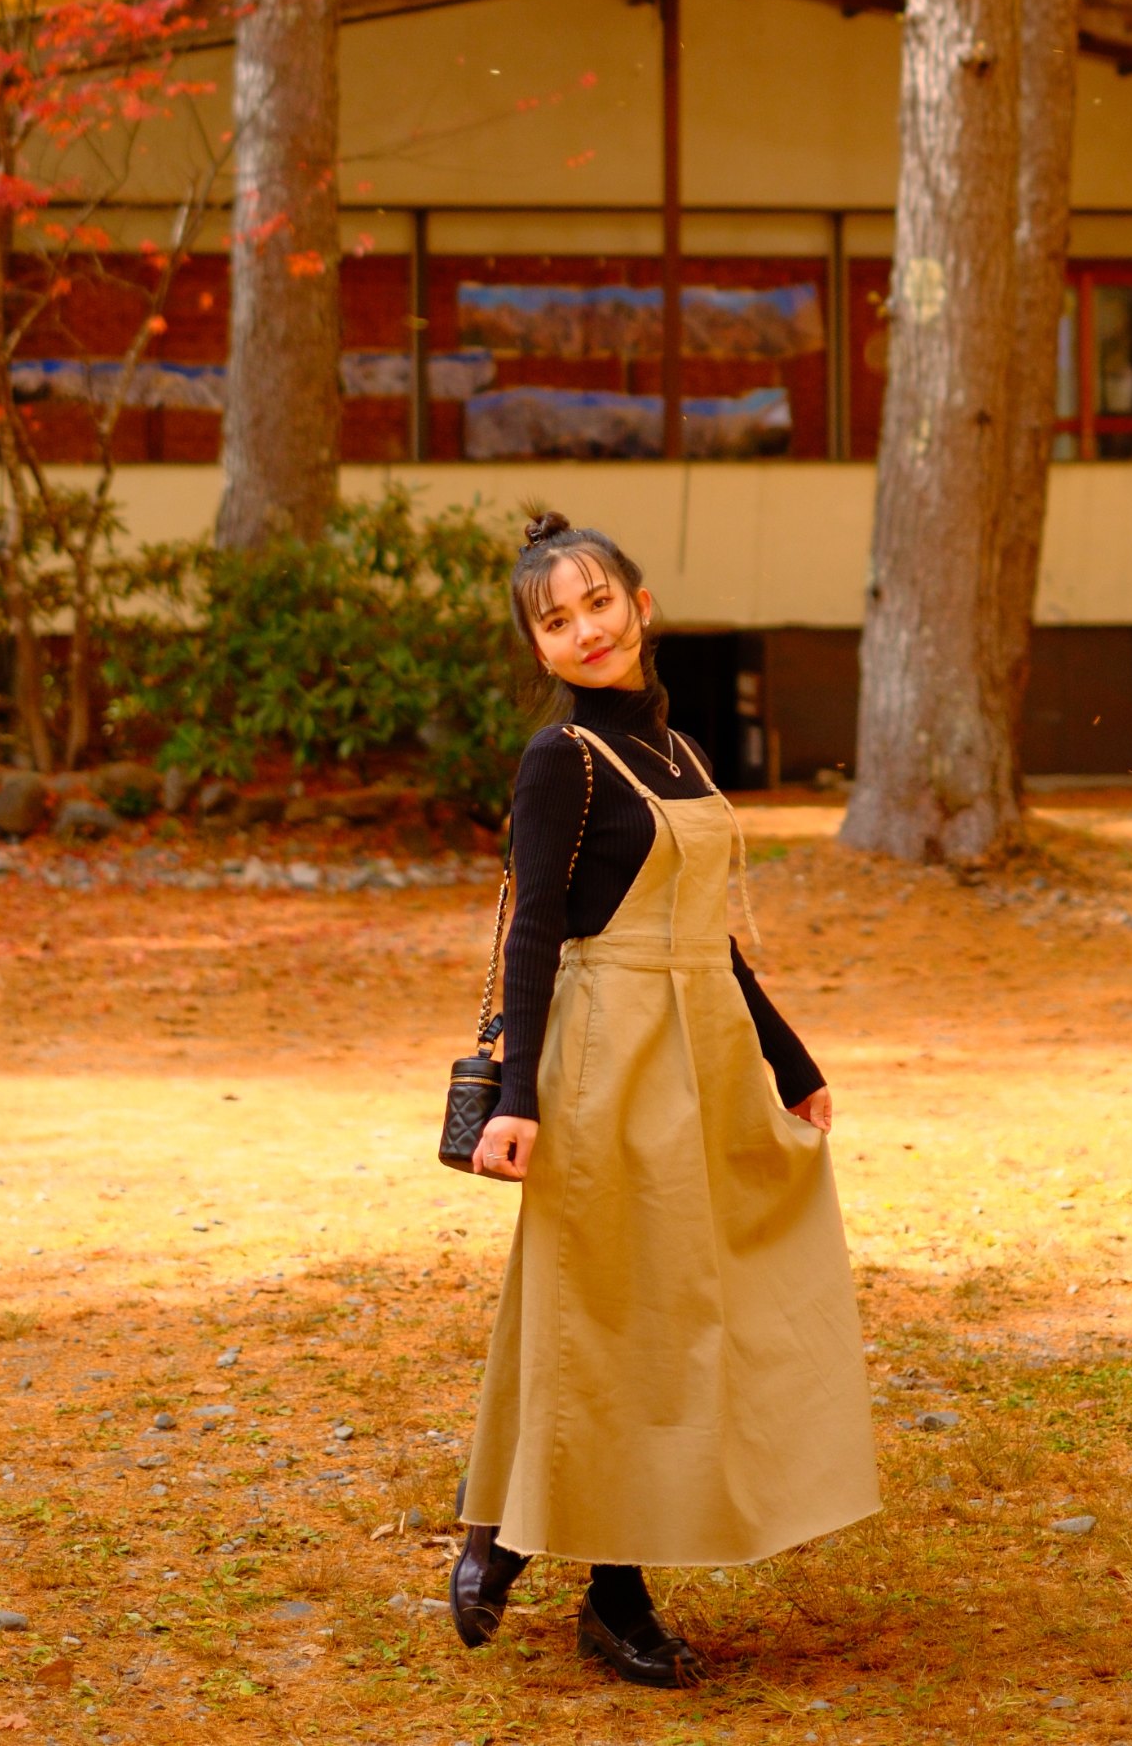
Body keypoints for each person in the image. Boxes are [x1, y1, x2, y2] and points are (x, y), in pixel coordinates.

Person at [452, 510, 878, 1689]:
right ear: (538, 649)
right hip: (605, 1060)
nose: (584, 631)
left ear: (643, 607)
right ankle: (606, 1589)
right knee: (619, 1320)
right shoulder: (564, 761)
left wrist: (792, 1061)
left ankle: (508, 1527)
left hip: (698, 1057)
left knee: (685, 1314)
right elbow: (536, 931)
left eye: (599, 604)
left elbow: (714, 943)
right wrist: (519, 1095)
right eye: (555, 620)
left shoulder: (682, 756)